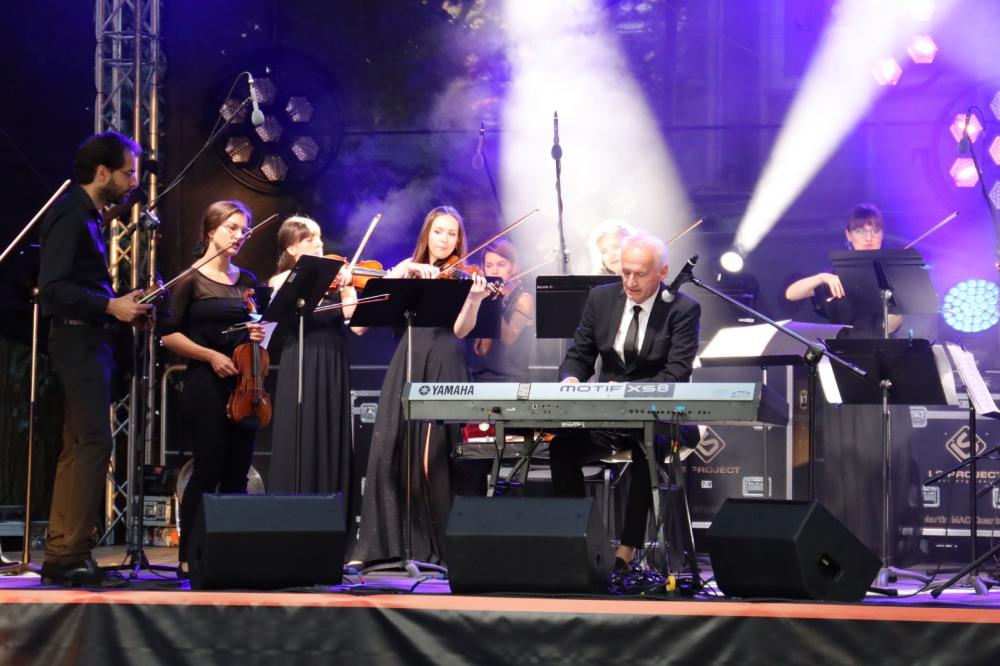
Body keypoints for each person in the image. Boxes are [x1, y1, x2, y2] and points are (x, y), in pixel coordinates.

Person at [37, 131, 153, 587]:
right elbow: (53, 289)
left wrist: (123, 305)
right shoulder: (71, 215)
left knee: (78, 444)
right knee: (93, 443)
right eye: (127, 173)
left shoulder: (86, 216)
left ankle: (61, 551)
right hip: (77, 341)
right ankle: (72, 553)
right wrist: (111, 306)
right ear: (102, 172)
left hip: (86, 339)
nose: (132, 183)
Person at [549, 232, 701, 571]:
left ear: (662, 272)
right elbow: (579, 356)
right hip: (608, 418)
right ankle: (584, 541)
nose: (630, 282)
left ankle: (627, 550)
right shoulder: (601, 299)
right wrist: (571, 379)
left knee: (647, 448)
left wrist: (626, 392)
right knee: (562, 447)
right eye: (625, 272)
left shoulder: (683, 309)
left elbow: (676, 374)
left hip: (659, 417)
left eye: (640, 274)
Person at [350, 205, 489, 566]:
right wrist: (404, 272)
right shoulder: (407, 268)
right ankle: (382, 547)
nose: (445, 239)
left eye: (452, 234)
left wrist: (474, 299)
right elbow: (361, 323)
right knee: (390, 449)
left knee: (436, 454)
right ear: (427, 233)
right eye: (439, 231)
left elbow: (461, 330)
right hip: (408, 361)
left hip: (445, 362)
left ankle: (440, 547)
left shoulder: (462, 276)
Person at [159, 200, 266, 576]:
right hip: (205, 382)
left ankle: (232, 554)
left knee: (237, 473)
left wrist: (260, 334)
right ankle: (189, 556)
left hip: (245, 384)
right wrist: (209, 356)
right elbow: (168, 335)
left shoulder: (248, 280)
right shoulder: (190, 279)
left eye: (244, 229)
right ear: (210, 230)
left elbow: (261, 331)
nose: (240, 235)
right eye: (231, 227)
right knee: (208, 469)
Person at [267, 215, 358, 494]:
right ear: (292, 247)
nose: (319, 244)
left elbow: (355, 322)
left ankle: (331, 500)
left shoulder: (338, 280)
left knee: (331, 430)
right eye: (309, 239)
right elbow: (277, 298)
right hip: (301, 357)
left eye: (319, 237)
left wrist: (347, 288)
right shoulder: (282, 279)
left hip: (333, 360)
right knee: (300, 428)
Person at [784, 203, 901, 336]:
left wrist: (896, 306)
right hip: (840, 347)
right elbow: (791, 294)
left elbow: (890, 327)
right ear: (848, 235)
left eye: (875, 231)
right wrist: (821, 277)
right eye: (860, 231)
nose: (869, 238)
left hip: (882, 346)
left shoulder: (890, 275)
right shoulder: (835, 275)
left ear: (882, 234)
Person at [467, 239, 534, 383]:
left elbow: (509, 338)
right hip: (479, 378)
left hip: (512, 380)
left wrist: (492, 301)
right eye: (489, 265)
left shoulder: (524, 298)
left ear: (514, 267)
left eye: (501, 265)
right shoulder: (479, 295)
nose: (494, 271)